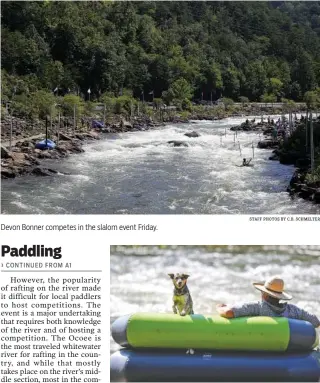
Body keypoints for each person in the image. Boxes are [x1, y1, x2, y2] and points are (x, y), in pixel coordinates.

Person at [216, 276, 320, 328]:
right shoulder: (293, 310)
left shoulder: (257, 307)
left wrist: (220, 307)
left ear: (264, 294)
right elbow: (316, 322)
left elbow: (229, 313)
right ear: (279, 296)